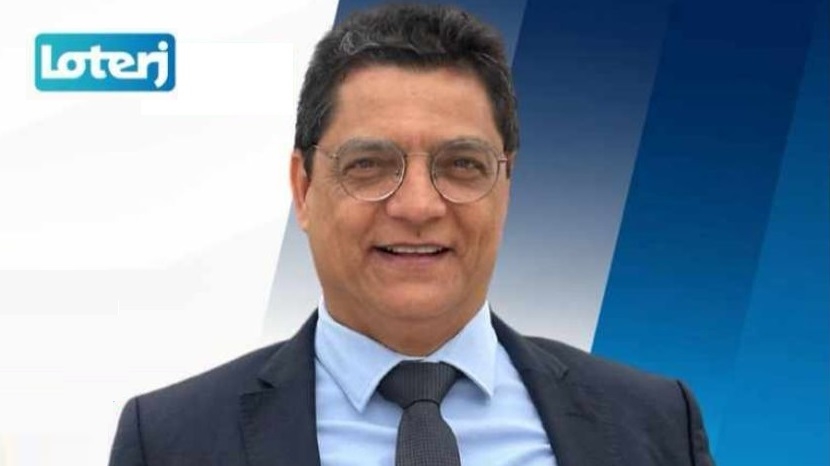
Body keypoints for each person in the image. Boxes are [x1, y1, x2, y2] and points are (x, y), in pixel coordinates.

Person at [108, 4, 715, 466]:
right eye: (370, 165)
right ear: (304, 187)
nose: (419, 205)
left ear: (506, 186)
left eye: (461, 164)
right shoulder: (170, 441)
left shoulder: (654, 424)